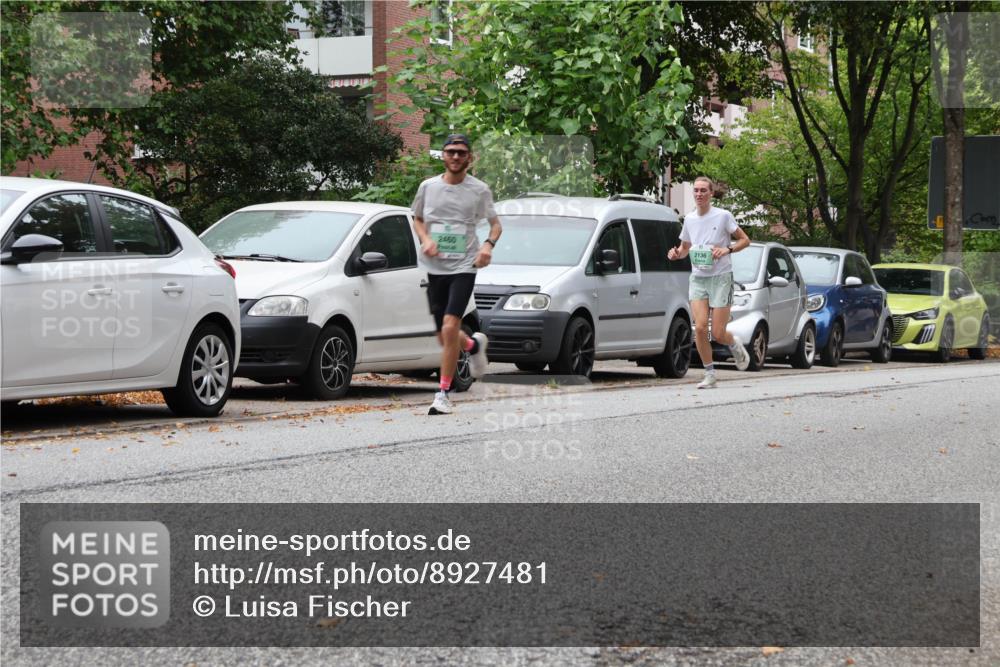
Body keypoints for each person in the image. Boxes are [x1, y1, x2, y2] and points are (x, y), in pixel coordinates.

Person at [412, 133, 502, 414]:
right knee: (445, 337)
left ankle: (442, 395)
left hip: (464, 265)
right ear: (443, 155)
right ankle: (473, 346)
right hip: (434, 266)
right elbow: (417, 219)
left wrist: (487, 246)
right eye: (450, 151)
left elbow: (496, 225)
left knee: (450, 327)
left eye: (461, 153)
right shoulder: (428, 187)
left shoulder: (479, 190)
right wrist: (425, 239)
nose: (455, 157)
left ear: (469, 158)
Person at [667, 176, 751, 388]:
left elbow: (745, 240)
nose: (699, 194)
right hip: (698, 278)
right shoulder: (690, 219)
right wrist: (676, 253)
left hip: (721, 277)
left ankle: (734, 343)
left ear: (711, 194)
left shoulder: (723, 216)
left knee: (718, 333)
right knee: (701, 328)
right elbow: (685, 247)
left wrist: (726, 249)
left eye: (704, 190)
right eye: (696, 190)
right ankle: (710, 374)